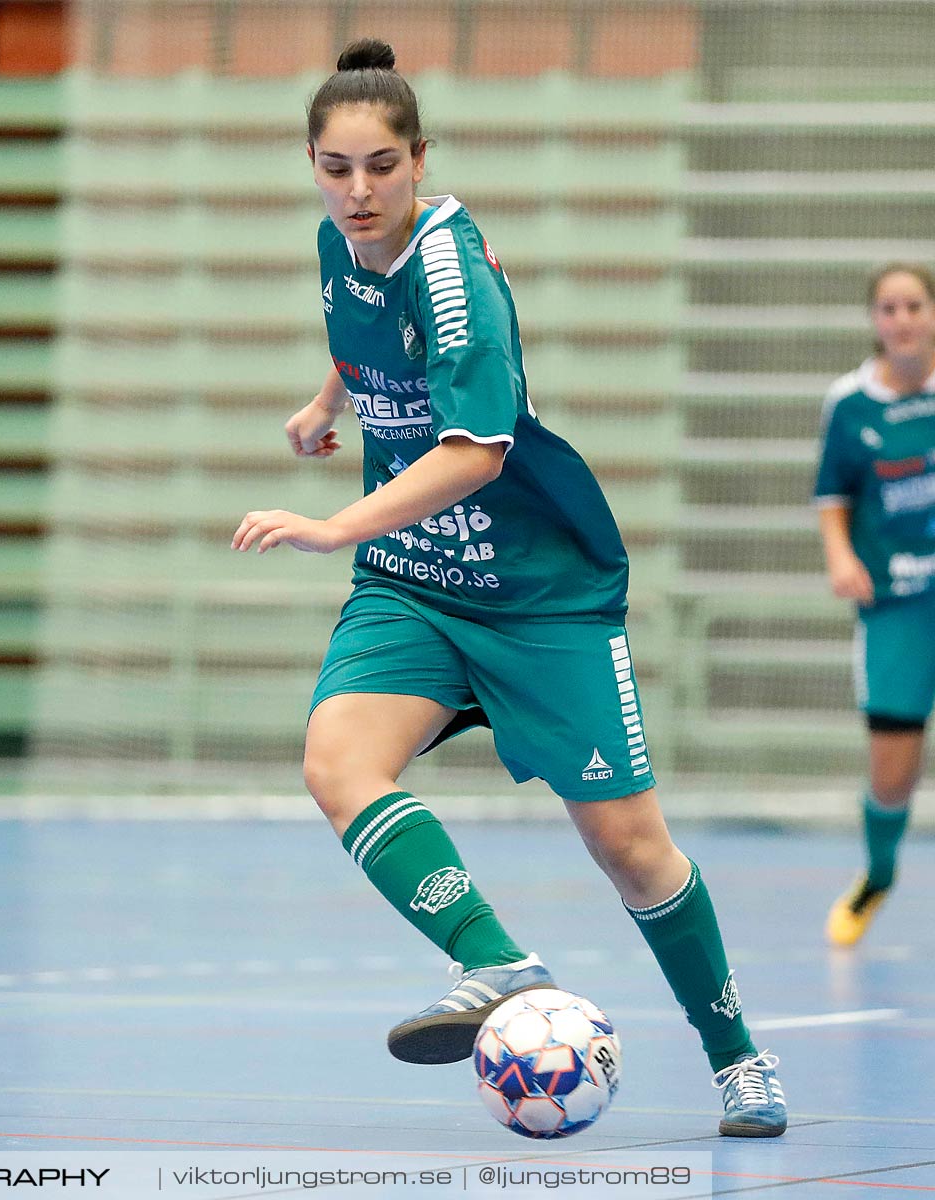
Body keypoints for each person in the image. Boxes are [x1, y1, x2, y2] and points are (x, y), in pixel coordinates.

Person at [231, 39, 787, 1137]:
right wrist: (327, 403)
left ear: (420, 160)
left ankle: (737, 1056)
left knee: (628, 848)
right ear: (310, 165)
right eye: (335, 168)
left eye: (381, 167)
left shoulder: (455, 271)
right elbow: (361, 333)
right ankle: (497, 959)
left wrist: (334, 523)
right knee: (336, 761)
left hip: (537, 588)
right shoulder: (339, 243)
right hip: (416, 583)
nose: (358, 190)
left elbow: (476, 449)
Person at [816, 263, 935, 947]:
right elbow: (833, 495)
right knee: (892, 767)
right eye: (888, 308)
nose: (901, 319)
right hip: (897, 603)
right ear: (876, 320)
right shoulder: (851, 404)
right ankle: (879, 875)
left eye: (913, 305)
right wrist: (840, 554)